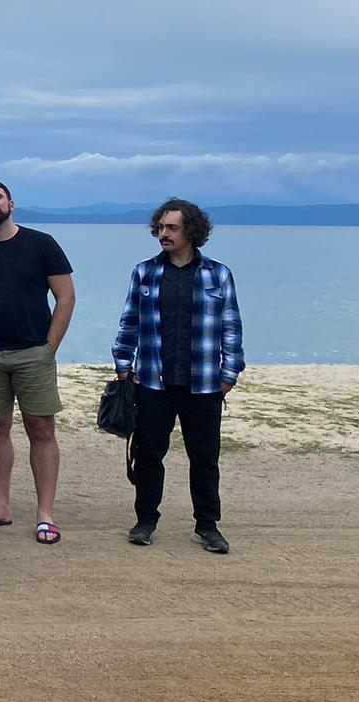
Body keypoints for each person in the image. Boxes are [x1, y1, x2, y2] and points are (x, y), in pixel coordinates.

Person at [113, 198, 243, 554]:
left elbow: (231, 326)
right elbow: (129, 321)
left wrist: (230, 373)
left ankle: (208, 525)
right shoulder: (144, 272)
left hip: (204, 382)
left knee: (205, 457)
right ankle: (145, 521)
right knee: (148, 454)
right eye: (160, 227)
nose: (163, 234)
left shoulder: (218, 274)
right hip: (152, 381)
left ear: (192, 231)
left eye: (172, 228)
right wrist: (123, 366)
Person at [0, 179, 75, 544]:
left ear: (11, 204)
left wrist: (49, 347)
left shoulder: (41, 244)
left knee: (41, 429)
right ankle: (0, 507)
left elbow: (65, 297)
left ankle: (45, 514)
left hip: (34, 351)